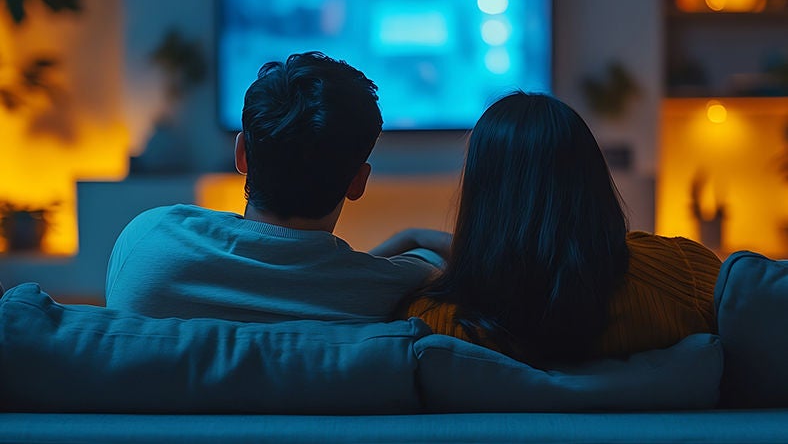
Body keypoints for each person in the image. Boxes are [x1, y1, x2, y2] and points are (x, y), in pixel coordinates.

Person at [105, 52, 443, 322]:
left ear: (242, 156)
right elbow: (333, 277)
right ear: (358, 182)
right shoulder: (390, 290)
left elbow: (276, 274)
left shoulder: (147, 242)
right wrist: (415, 240)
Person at [389, 91, 720, 366]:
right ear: (591, 178)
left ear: (483, 196)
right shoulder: (681, 273)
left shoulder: (435, 325)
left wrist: (410, 239)